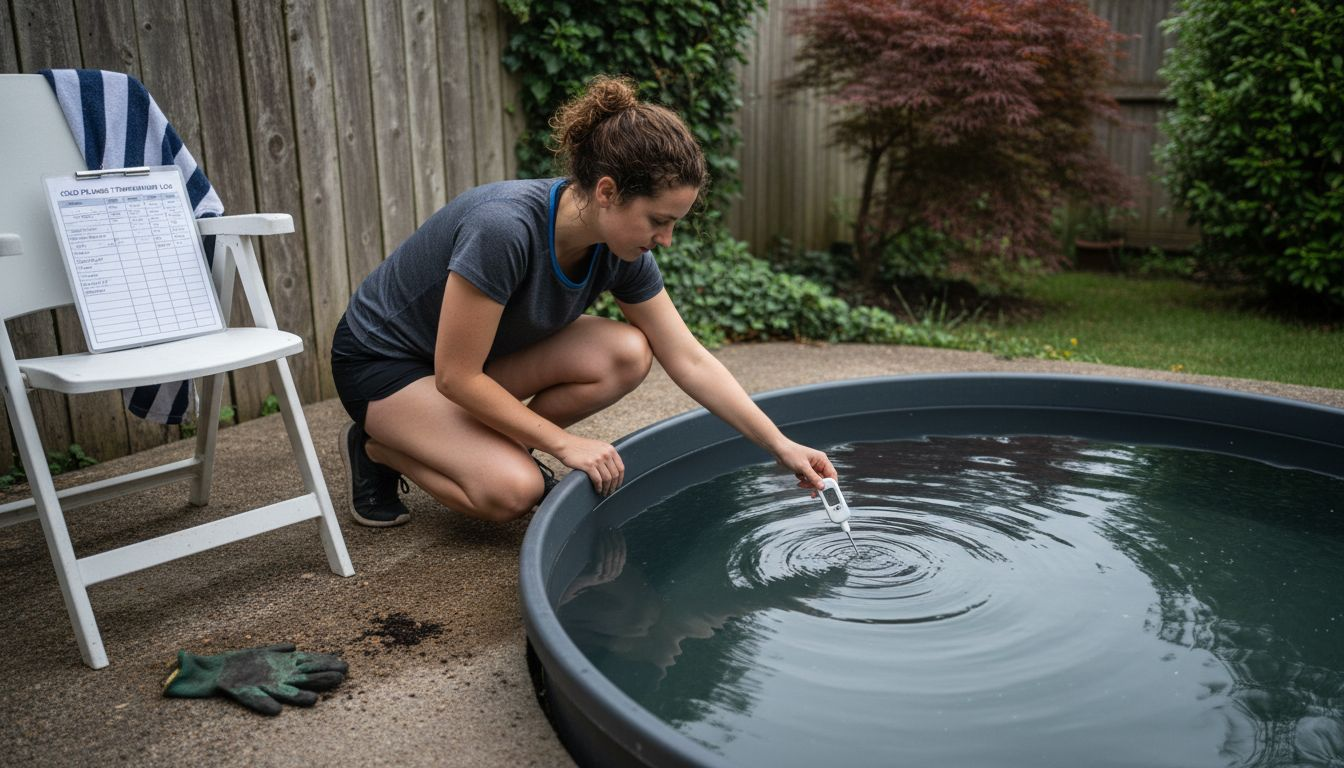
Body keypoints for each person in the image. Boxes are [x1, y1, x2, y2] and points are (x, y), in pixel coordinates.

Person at [331, 74, 836, 527]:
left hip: (471, 365)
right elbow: (455, 376)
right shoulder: (503, 229)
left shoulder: (620, 249)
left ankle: (473, 445)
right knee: (513, 491)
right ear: (608, 191)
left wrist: (780, 445)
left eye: (674, 224)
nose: (666, 239)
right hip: (387, 366)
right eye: (658, 220)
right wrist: (562, 442)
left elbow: (688, 357)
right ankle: (379, 447)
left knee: (628, 353)